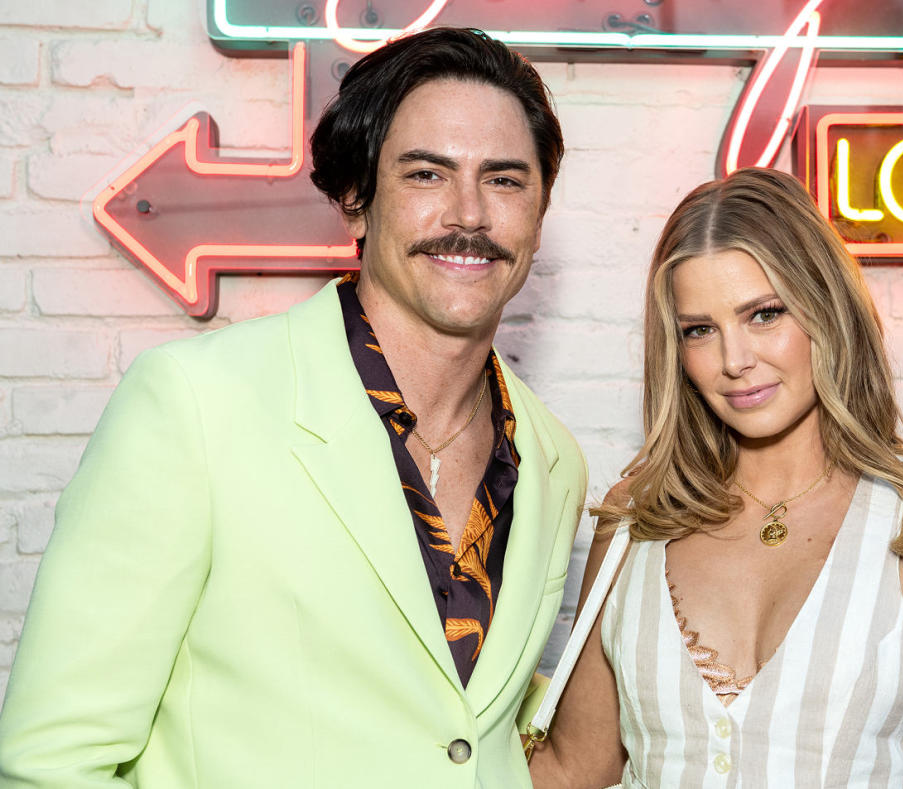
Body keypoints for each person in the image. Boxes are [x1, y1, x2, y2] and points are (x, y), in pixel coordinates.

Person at [0, 27, 586, 788]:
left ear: (540, 214)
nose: (469, 213)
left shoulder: (553, 460)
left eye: (505, 180)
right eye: (426, 175)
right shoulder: (195, 405)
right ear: (355, 201)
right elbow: (52, 761)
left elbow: (468, 730)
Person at [528, 168, 903, 787]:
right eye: (700, 330)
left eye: (764, 314)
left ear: (826, 307)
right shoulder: (636, 522)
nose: (735, 360)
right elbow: (574, 768)